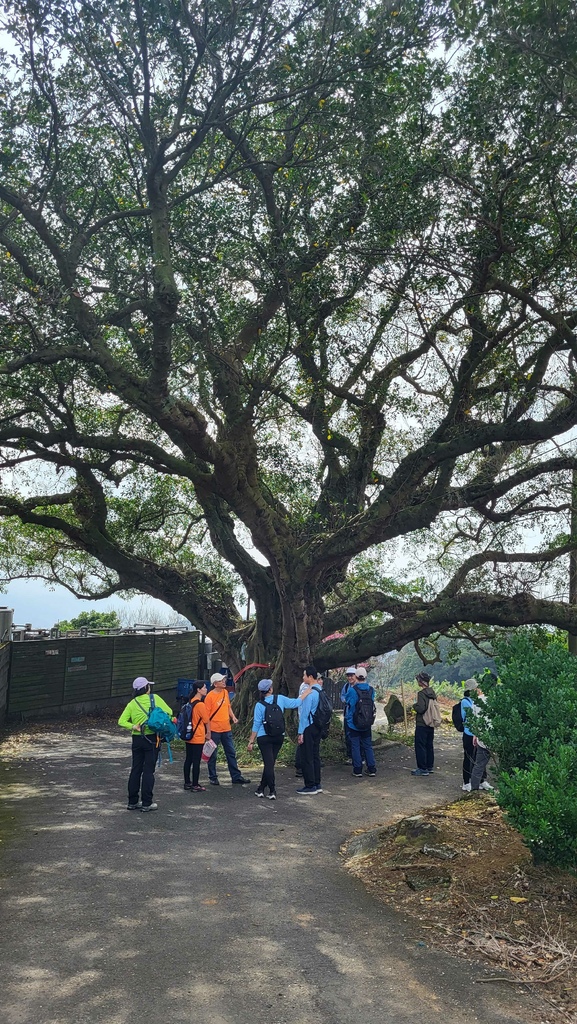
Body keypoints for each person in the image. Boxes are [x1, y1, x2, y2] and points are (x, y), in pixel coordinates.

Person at [247, 678, 313, 799]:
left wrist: (251, 740)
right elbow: (296, 703)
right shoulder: (280, 699)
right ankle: (261, 788)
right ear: (270, 689)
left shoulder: (259, 705)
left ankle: (272, 790)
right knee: (270, 764)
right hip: (278, 736)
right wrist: (306, 693)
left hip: (264, 737)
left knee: (269, 764)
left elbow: (256, 724)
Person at [118, 676, 174, 811]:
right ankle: (147, 803)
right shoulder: (154, 698)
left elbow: (121, 721)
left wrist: (133, 726)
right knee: (148, 771)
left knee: (135, 769)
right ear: (146, 688)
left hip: (137, 739)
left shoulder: (132, 703)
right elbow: (170, 712)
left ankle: (132, 802)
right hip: (152, 739)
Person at [204, 671, 251, 786]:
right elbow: (206, 717)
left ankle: (236, 776)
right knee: (212, 755)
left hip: (226, 728)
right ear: (215, 684)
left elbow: (228, 707)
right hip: (214, 729)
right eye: (221, 681)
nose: (224, 682)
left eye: (223, 680)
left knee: (231, 752)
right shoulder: (209, 697)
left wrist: (233, 717)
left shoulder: (225, 692)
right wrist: (208, 731)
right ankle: (213, 776)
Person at [344, 667, 377, 778]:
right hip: (367, 723)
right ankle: (371, 768)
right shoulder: (371, 690)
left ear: (356, 677)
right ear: (366, 677)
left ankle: (357, 770)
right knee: (368, 746)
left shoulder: (352, 691)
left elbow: (348, 702)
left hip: (354, 723)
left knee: (355, 746)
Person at [296, 665, 324, 795]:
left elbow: (304, 714)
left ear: (310, 677)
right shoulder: (320, 691)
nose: (303, 677)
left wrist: (300, 732)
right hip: (318, 726)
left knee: (307, 756)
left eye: (304, 675)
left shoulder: (310, 693)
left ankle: (309, 785)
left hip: (308, 726)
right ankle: (317, 783)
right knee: (315, 755)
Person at [183, 681, 211, 793]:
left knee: (188, 759)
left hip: (188, 734)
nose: (206, 689)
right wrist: (208, 732)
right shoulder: (200, 704)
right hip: (198, 736)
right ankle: (195, 784)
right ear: (198, 690)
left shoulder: (190, 702)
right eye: (204, 688)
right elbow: (206, 720)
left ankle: (187, 782)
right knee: (196, 761)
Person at [411, 671, 437, 777]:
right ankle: (429, 766)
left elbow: (421, 708)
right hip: (431, 722)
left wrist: (414, 706)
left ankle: (422, 768)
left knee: (420, 745)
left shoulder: (421, 693)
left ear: (421, 681)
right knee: (429, 745)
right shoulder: (432, 693)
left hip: (422, 723)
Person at [340, 667, 357, 761]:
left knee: (357, 737)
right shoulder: (346, 686)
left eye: (352, 675)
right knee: (348, 736)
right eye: (348, 676)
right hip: (347, 715)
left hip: (357, 716)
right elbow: (342, 696)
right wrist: (345, 700)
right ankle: (350, 756)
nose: (350, 678)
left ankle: (359, 757)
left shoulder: (359, 686)